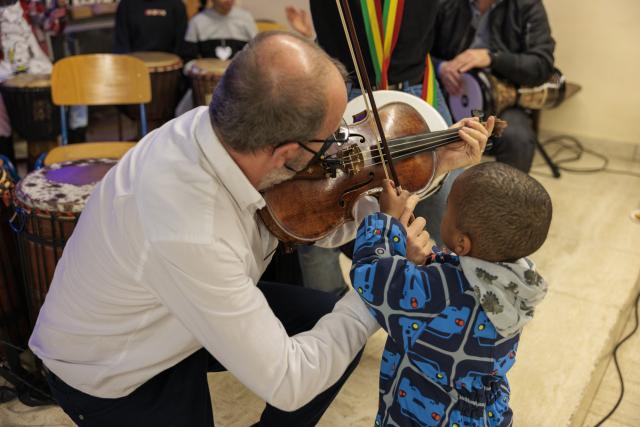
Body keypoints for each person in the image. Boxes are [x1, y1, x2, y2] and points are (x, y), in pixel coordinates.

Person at [28, 31, 493, 426]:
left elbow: (321, 217)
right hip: (115, 367)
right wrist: (380, 280)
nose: (340, 149)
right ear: (283, 151)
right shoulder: (193, 229)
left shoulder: (224, 127)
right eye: (330, 137)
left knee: (329, 322)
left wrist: (432, 165)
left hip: (182, 304)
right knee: (333, 336)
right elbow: (290, 383)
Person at [350, 162, 551, 426]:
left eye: (447, 211)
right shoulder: (516, 279)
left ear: (462, 243)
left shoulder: (440, 294)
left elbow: (371, 276)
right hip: (487, 413)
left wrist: (386, 220)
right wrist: (427, 261)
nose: (443, 214)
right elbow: (457, 273)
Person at [287, 1, 461, 294]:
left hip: (418, 87)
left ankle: (421, 302)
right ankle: (331, 319)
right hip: (345, 86)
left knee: (441, 208)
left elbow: (451, 34)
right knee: (312, 214)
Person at [433, 0, 555, 173]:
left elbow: (542, 65)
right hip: (448, 93)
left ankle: (508, 198)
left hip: (502, 99)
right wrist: (441, 68)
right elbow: (416, 53)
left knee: (517, 138)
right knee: (428, 131)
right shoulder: (444, 4)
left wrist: (493, 58)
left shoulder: (527, 5)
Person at [183, 0, 257, 61]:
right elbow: (188, 58)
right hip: (209, 75)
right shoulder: (196, 21)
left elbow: (256, 50)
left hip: (239, 75)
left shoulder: (246, 18)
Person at [113, 0, 188, 56]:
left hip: (169, 67)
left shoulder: (176, 5)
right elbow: (121, 44)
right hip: (135, 64)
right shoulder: (126, 4)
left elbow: (181, 44)